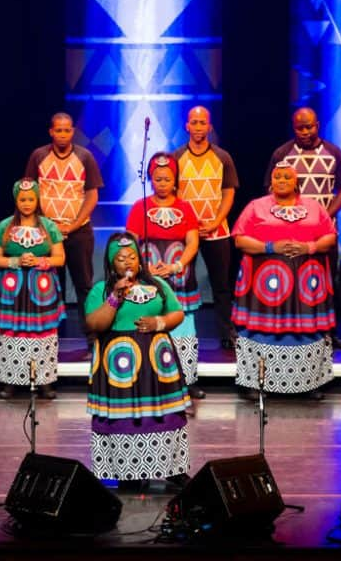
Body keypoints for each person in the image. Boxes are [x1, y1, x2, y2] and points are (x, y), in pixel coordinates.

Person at [85, 233, 191, 488]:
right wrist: (115, 298)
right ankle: (128, 472)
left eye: (132, 256)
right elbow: (94, 323)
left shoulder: (157, 285)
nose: (128, 262)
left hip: (156, 364)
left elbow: (177, 312)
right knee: (124, 418)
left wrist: (159, 322)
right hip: (120, 366)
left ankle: (172, 468)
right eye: (121, 259)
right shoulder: (102, 290)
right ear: (112, 264)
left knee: (163, 415)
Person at [232, 162, 337, 400]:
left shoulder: (313, 207)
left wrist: (308, 247)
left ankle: (310, 382)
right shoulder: (256, 207)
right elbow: (239, 239)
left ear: (296, 182)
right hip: (264, 286)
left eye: (287, 177)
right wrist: (270, 247)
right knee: (260, 329)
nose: (281, 180)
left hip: (305, 285)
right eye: (277, 176)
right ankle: (255, 382)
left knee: (307, 328)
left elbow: (330, 237)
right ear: (271, 181)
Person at [265, 107, 341, 350]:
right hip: (288, 232)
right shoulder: (282, 154)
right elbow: (270, 190)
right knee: (288, 280)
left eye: (310, 127)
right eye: (299, 128)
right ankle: (288, 329)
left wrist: (324, 215)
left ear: (318, 125)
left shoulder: (334, 153)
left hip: (324, 232)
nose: (305, 132)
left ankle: (329, 331)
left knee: (327, 281)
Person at [24, 112, 103, 359]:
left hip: (78, 232)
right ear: (51, 131)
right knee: (48, 287)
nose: (62, 134)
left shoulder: (84, 157)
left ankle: (92, 342)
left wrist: (73, 224)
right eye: (58, 130)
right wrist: (45, 226)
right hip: (47, 235)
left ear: (73, 132)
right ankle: (49, 341)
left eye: (67, 130)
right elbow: (28, 193)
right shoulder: (38, 156)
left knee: (84, 287)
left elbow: (92, 195)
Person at [126, 153, 204, 399]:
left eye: (166, 179)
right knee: (149, 322)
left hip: (179, 276)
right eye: (157, 179)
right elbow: (130, 242)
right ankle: (151, 381)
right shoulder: (141, 207)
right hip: (147, 275)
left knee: (183, 327)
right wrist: (142, 269)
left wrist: (176, 266)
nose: (162, 183)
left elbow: (192, 241)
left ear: (175, 180)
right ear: (150, 179)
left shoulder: (185, 207)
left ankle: (187, 382)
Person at [0, 179, 66, 399]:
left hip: (41, 289)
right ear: (16, 200)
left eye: (31, 199)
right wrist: (16, 262)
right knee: (13, 332)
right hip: (14, 291)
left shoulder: (48, 226)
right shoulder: (5, 227)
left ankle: (45, 381)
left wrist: (40, 261)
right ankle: (10, 380)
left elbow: (60, 258)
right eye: (23, 199)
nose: (27, 203)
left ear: (37, 199)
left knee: (42, 333)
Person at [173, 106, 240, 350]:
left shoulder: (222, 157)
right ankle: (181, 333)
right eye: (194, 122)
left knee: (221, 285)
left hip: (217, 231)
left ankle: (227, 332)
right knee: (181, 283)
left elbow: (228, 193)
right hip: (186, 232)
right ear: (186, 126)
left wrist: (214, 222)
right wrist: (190, 225)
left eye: (203, 123)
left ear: (209, 126)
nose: (199, 127)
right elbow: (175, 195)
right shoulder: (176, 157)